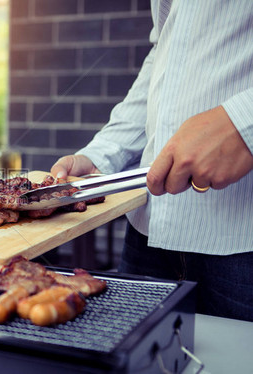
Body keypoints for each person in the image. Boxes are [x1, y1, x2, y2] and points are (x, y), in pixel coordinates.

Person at [51, 1, 253, 321]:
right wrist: (105, 152)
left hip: (242, 239)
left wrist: (244, 124)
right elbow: (166, 53)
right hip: (147, 234)